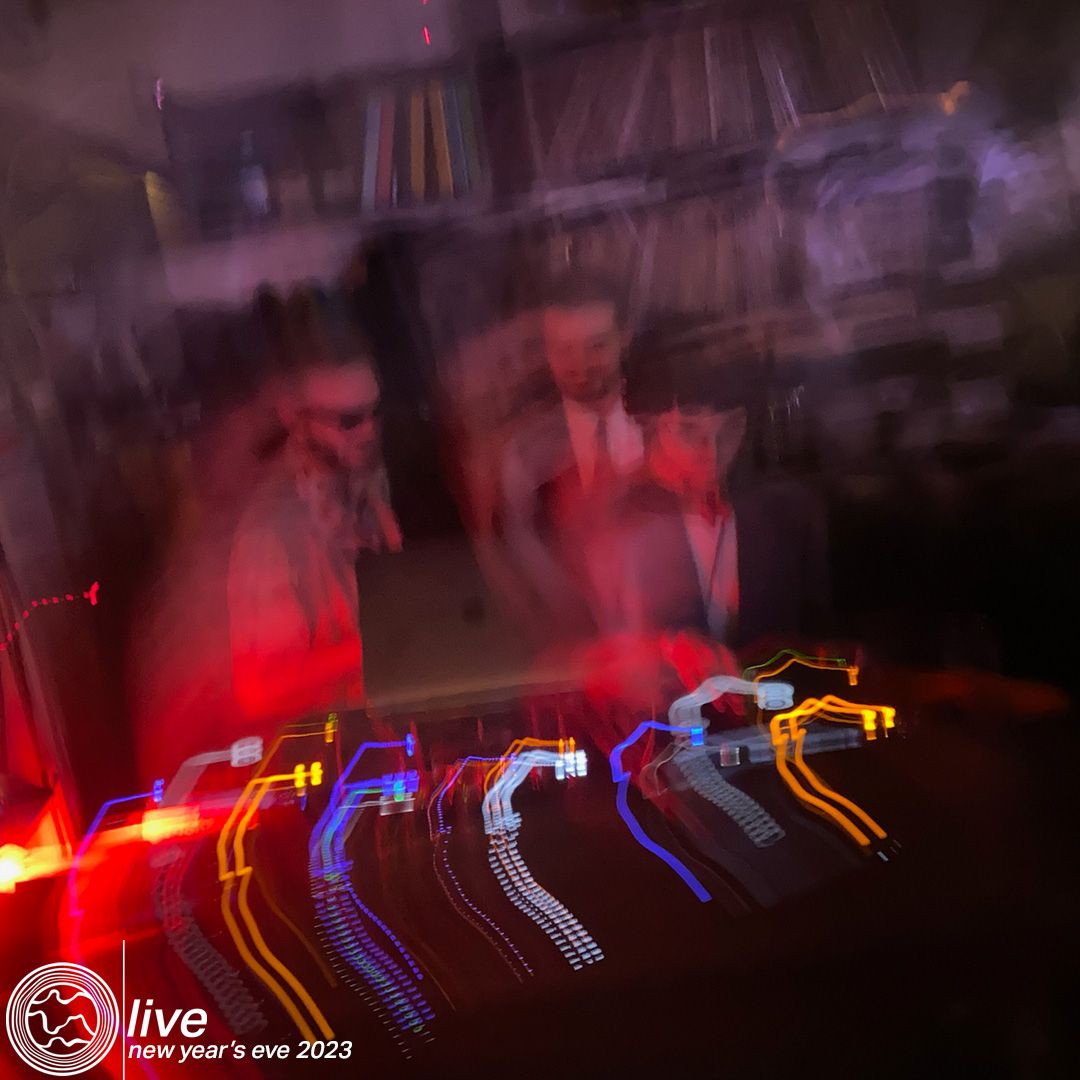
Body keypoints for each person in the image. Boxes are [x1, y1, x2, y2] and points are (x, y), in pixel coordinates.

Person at [131, 335, 401, 785]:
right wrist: (383, 651)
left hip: (337, 764)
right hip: (264, 783)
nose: (369, 432)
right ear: (298, 420)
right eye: (349, 420)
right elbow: (264, 690)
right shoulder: (269, 532)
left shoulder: (362, 497)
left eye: (376, 413)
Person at [589, 321, 830, 650]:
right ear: (648, 424)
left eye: (730, 427)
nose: (712, 453)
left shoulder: (790, 516)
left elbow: (821, 647)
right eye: (688, 430)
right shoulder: (613, 525)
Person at [499, 273, 643, 641]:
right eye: (563, 349)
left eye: (596, 346)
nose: (580, 364)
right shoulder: (526, 456)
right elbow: (523, 568)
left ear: (624, 337)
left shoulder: (663, 423)